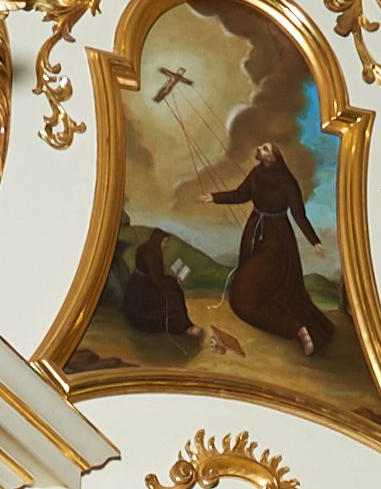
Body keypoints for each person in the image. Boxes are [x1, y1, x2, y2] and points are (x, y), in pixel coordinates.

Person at [212, 143, 334, 358]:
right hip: (254, 232)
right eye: (261, 147)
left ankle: (297, 329)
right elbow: (241, 194)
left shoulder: (287, 182)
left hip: (277, 242)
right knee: (241, 294)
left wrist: (315, 242)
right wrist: (215, 198)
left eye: (265, 148)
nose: (260, 149)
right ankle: (291, 325)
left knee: (249, 297)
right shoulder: (257, 173)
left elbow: (299, 216)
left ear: (274, 156)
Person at [122, 228, 196, 340]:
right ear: (158, 240)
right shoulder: (151, 253)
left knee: (171, 290)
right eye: (165, 242)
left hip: (142, 285)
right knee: (174, 293)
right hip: (142, 293)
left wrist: (170, 278)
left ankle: (184, 325)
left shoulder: (148, 248)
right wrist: (174, 281)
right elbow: (158, 280)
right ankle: (184, 327)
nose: (165, 245)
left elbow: (155, 275)